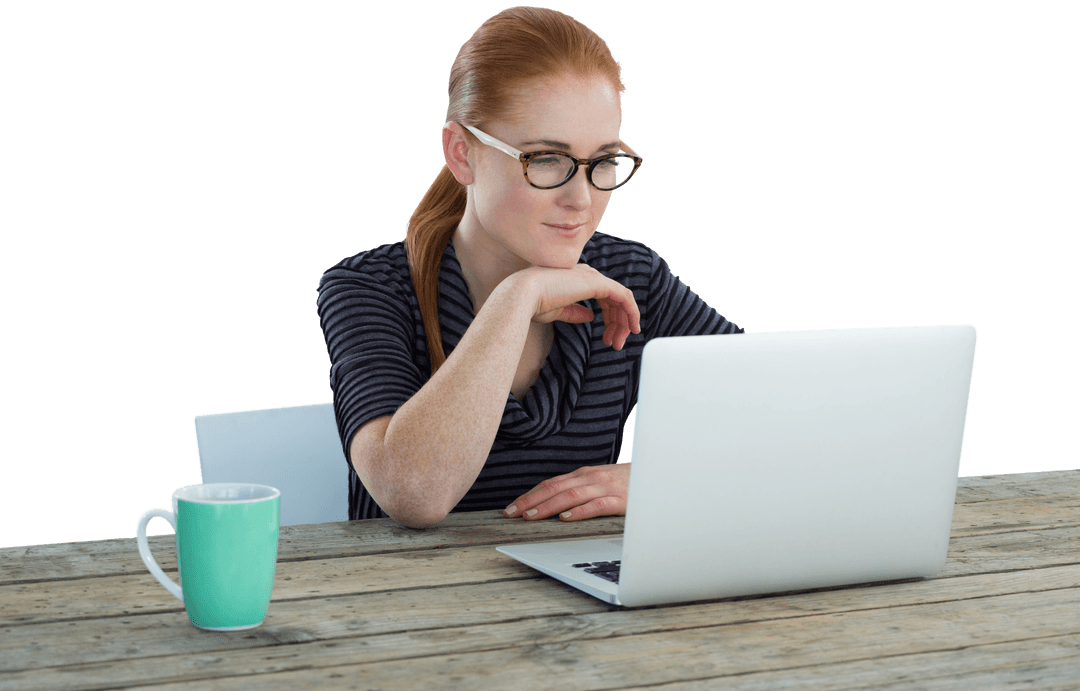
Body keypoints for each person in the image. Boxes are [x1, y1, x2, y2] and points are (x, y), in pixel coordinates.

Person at [316, 6, 743, 529]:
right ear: (461, 153)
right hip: (406, 582)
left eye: (603, 161)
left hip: (580, 580)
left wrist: (665, 478)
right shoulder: (369, 288)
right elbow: (413, 495)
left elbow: (786, 412)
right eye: (545, 159)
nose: (581, 199)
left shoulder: (632, 275)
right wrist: (517, 298)